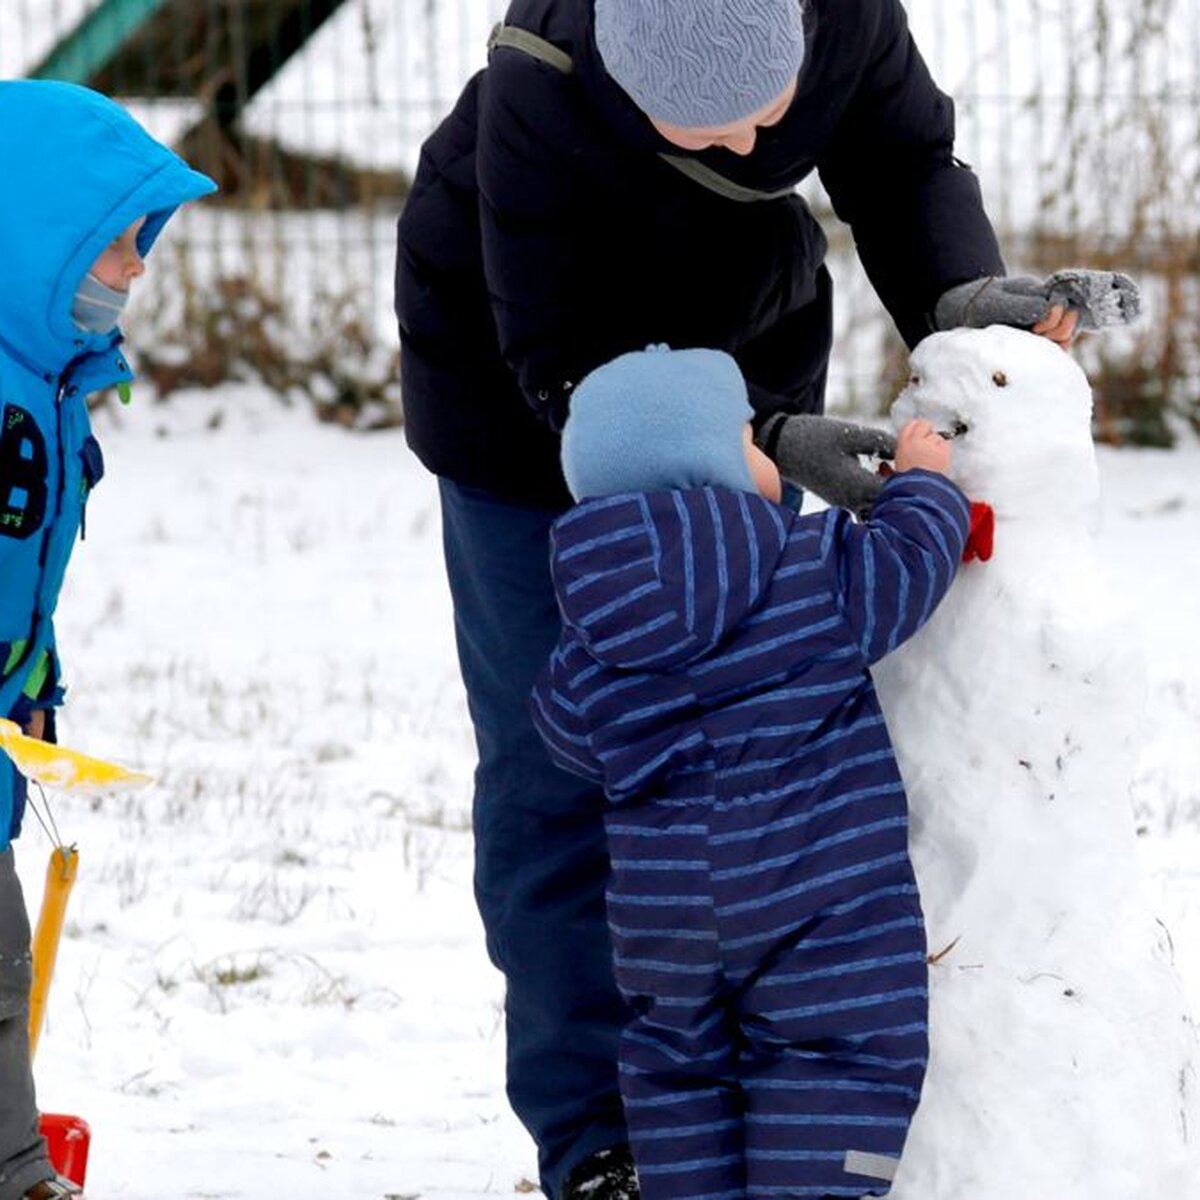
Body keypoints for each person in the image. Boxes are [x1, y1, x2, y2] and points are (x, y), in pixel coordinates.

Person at [393, 2, 1099, 1194]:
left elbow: (903, 158)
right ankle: (599, 1137)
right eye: (698, 128)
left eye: (768, 120)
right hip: (533, 404)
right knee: (563, 774)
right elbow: (561, 352)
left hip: (740, 349)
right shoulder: (542, 84)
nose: (742, 151)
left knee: (756, 746)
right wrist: (759, 439)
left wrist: (961, 296)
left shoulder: (846, 20)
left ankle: (763, 1102)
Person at [529, 344, 967, 1199]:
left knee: (679, 1070)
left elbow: (563, 729)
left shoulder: (594, 632)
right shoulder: (805, 573)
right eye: (751, 441)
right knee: (835, 1054)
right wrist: (925, 482)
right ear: (714, 462)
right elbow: (909, 566)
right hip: (814, 900)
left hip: (669, 915)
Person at [0, 80, 215, 1200]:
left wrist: (35, 680)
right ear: (33, 240)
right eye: (120, 245)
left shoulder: (51, 387)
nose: (137, 269)